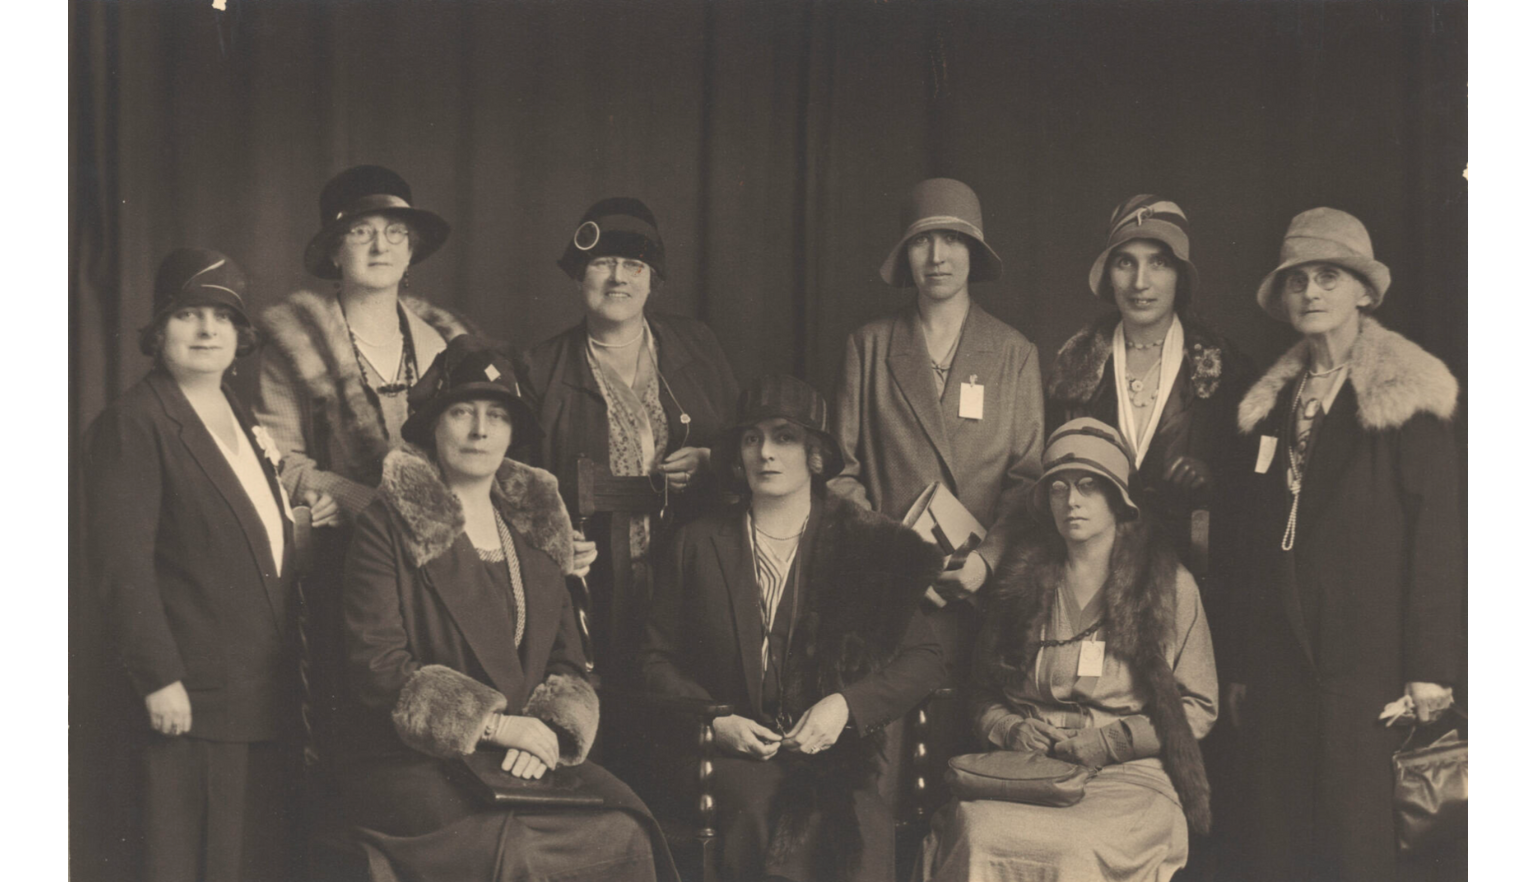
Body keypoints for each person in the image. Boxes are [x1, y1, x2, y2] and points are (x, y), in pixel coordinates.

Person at [339, 336, 676, 882]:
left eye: (496, 416)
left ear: (513, 432)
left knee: (625, 830)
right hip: (416, 762)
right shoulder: (388, 525)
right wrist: (495, 727)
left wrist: (548, 732)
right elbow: (377, 669)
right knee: (516, 848)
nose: (480, 430)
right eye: (462, 412)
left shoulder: (536, 523)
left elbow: (569, 659)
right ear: (432, 425)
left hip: (525, 753)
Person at [83, 248, 338, 881]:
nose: (207, 330)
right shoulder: (135, 422)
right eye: (188, 315)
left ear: (240, 335)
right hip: (190, 701)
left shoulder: (237, 412)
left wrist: (298, 531)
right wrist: (159, 678)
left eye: (223, 318)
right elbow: (121, 565)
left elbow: (239, 539)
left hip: (261, 698)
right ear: (158, 330)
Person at [1227, 208, 1464, 882]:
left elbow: (1438, 541)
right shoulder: (1272, 403)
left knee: (1359, 847)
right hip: (1281, 667)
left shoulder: (1407, 393)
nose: (1311, 292)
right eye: (1297, 279)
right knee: (1279, 848)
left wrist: (1430, 669)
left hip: (1371, 671)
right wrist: (1242, 664)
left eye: (1329, 276)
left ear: (1364, 291)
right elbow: (1250, 552)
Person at [641, 375, 945, 882]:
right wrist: (715, 723)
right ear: (738, 455)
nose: (765, 453)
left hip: (832, 757)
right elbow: (655, 659)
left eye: (784, 437)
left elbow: (926, 658)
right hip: (729, 755)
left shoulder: (864, 544)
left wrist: (845, 707)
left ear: (816, 455)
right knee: (761, 815)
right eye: (752, 438)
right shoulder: (696, 542)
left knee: (863, 828)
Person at [255, 165, 495, 768]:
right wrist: (357, 500)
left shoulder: (447, 342)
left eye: (395, 232)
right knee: (361, 729)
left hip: (442, 557)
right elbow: (279, 458)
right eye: (361, 232)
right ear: (335, 251)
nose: (380, 246)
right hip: (345, 559)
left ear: (411, 250)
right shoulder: (296, 343)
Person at [918, 418, 1216, 882]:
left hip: (1127, 778)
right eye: (1059, 488)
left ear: (1119, 498)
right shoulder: (1018, 584)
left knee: (1077, 848)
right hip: (1029, 772)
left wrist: (1110, 742)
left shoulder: (1168, 586)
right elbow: (981, 693)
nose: (1072, 500)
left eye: (1089, 486)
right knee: (979, 832)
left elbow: (1197, 706)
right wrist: (1011, 730)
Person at [520, 197, 738, 677]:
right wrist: (554, 538)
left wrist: (712, 459)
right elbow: (516, 485)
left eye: (633, 265)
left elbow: (746, 442)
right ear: (579, 275)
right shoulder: (540, 368)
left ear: (652, 278)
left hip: (692, 577)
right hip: (588, 585)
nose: (618, 277)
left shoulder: (696, 346)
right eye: (603, 263)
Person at [1045, 195, 1254, 593]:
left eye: (1158, 262)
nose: (1140, 282)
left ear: (1180, 276)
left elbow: (1253, 495)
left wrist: (1213, 484)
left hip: (1192, 578)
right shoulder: (1071, 372)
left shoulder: (1229, 372)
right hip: (1092, 578)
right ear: (1109, 275)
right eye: (1126, 262)